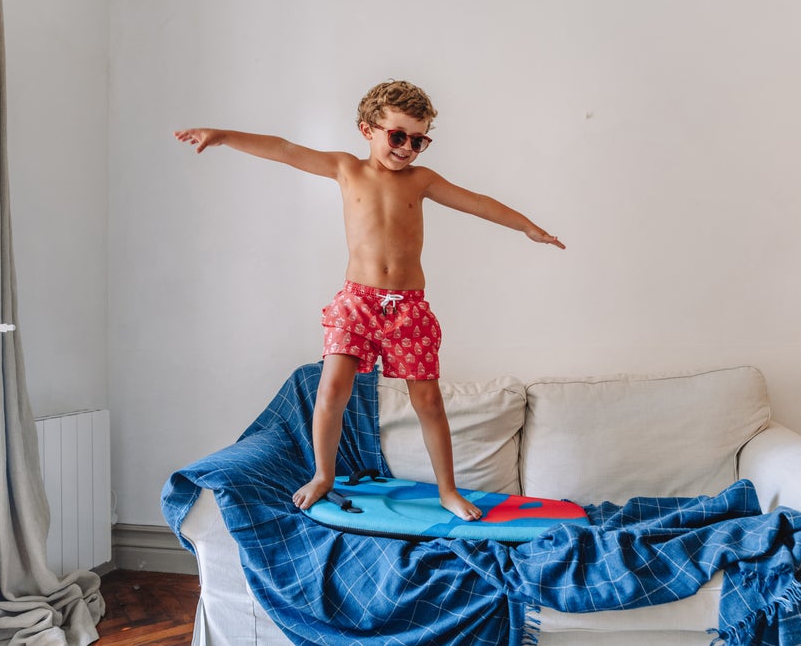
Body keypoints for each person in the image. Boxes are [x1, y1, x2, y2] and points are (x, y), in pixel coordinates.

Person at [175, 80, 565, 521]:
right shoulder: (347, 169)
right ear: (368, 130)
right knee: (332, 391)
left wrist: (527, 226)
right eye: (397, 136)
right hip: (357, 302)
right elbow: (284, 149)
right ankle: (323, 474)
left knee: (429, 403)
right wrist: (223, 136)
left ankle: (448, 491)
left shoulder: (422, 181)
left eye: (418, 140)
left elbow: (477, 202)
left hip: (409, 308)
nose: (407, 148)